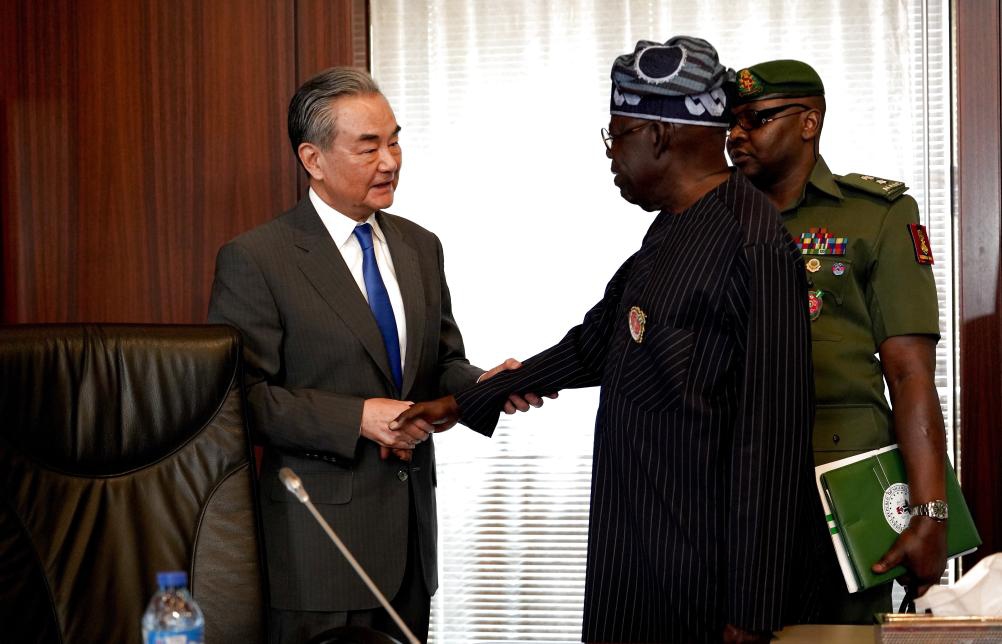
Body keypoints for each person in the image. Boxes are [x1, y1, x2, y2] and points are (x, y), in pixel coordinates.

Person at [391, 37, 824, 643]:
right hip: (635, 559)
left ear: (659, 135)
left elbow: (771, 442)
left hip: (701, 584)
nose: (611, 155)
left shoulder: (754, 245)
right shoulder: (669, 233)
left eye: (616, 135)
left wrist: (749, 615)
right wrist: (465, 403)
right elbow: (594, 344)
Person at [208, 67, 540, 644]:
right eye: (369, 147)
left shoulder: (419, 245)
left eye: (394, 140)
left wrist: (482, 383)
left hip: (409, 550)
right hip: (316, 553)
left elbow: (439, 362)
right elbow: (240, 403)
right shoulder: (257, 258)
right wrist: (357, 418)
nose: (390, 160)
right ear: (312, 159)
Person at [726, 59, 947, 622]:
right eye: (730, 122)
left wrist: (931, 510)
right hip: (731, 483)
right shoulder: (715, 221)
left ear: (808, 122)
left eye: (755, 119)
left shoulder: (875, 215)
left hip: (838, 488)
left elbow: (909, 372)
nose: (735, 135)